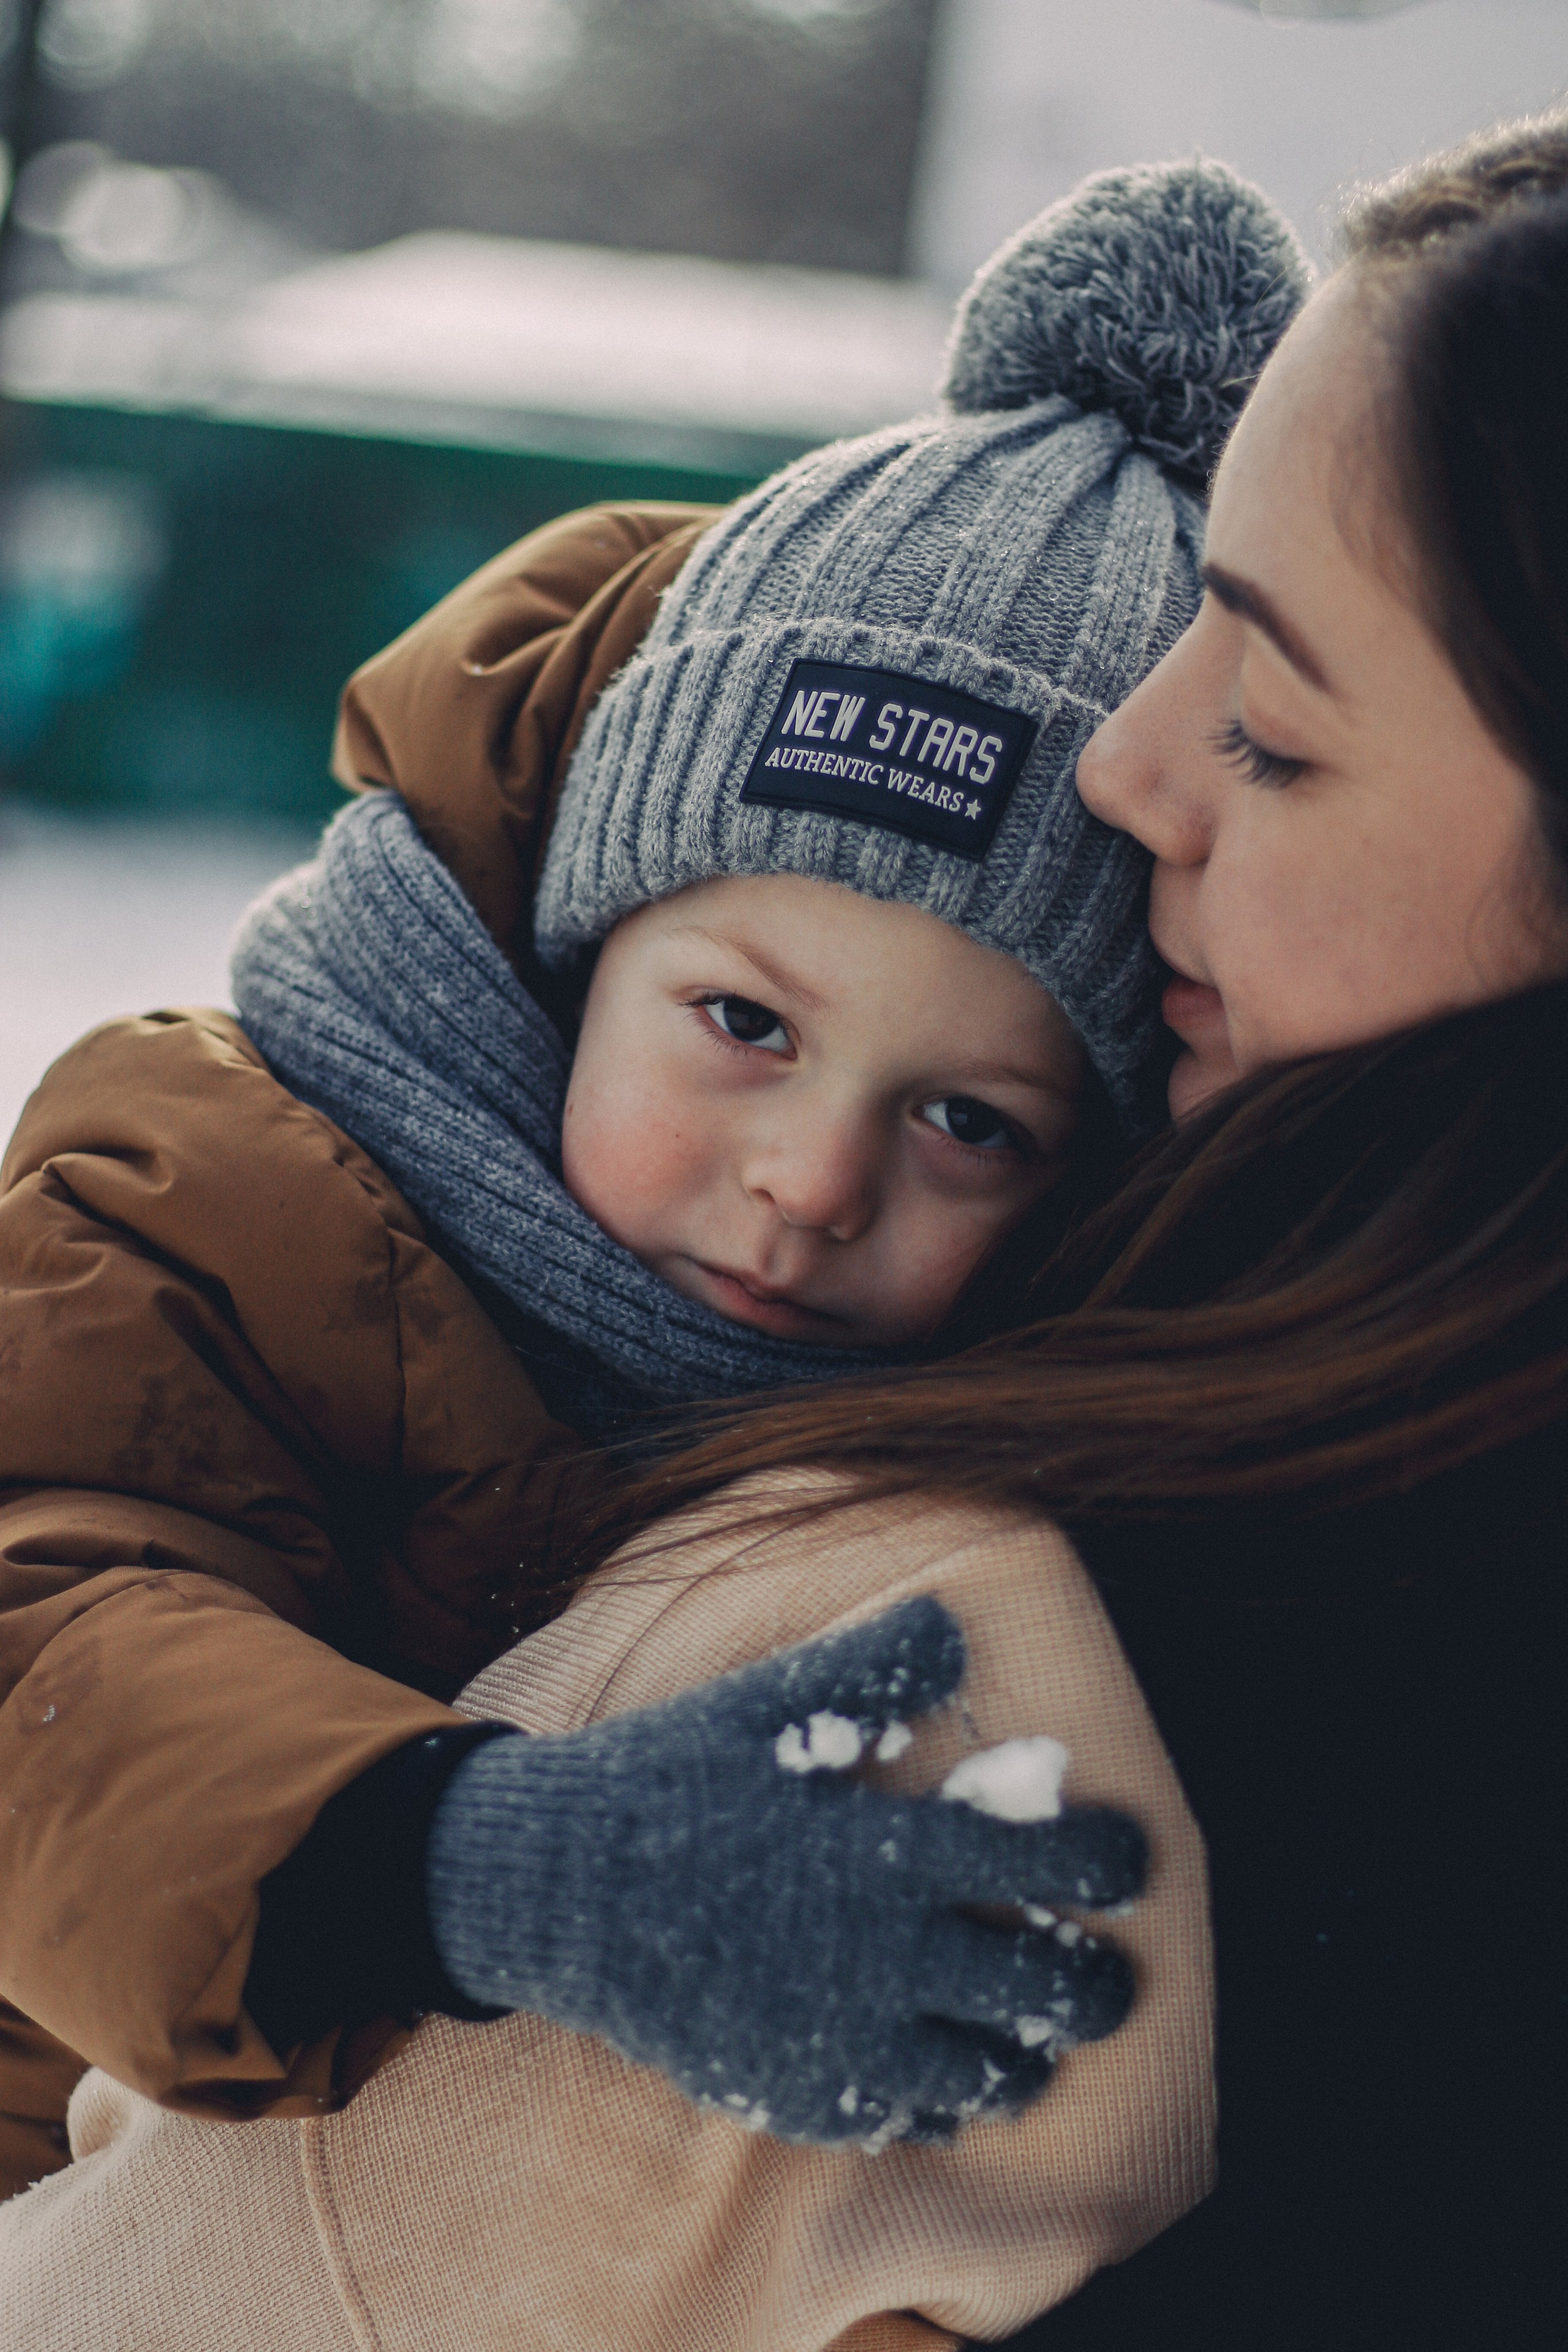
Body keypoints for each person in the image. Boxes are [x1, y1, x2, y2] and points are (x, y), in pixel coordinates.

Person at [11, 105, 1564, 2350]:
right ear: (582, 941)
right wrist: (470, 1863)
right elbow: (44, 1638)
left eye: (972, 1118)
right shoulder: (225, 1194)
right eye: (738, 1019)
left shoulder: (1197, 1463)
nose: (819, 1178)